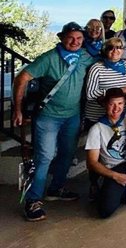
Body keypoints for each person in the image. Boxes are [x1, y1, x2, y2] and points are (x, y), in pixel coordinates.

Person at [12, 22, 96, 221]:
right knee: (45, 157)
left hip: (72, 115)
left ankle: (56, 188)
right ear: (61, 38)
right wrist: (17, 108)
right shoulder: (49, 58)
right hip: (48, 117)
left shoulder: (85, 56)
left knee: (66, 154)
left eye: (79, 38)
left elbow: (105, 61)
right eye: (70, 38)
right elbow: (22, 77)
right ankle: (33, 200)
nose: (75, 42)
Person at [85, 88, 126, 218]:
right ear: (105, 104)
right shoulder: (97, 129)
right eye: (112, 104)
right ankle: (101, 188)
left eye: (120, 104)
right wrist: (115, 176)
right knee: (105, 210)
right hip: (114, 169)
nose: (116, 108)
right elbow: (92, 162)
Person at [84, 37, 126, 128]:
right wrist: (120, 91)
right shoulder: (97, 68)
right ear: (105, 50)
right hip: (96, 116)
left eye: (119, 47)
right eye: (111, 47)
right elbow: (90, 94)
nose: (115, 50)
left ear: (123, 50)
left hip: (120, 116)